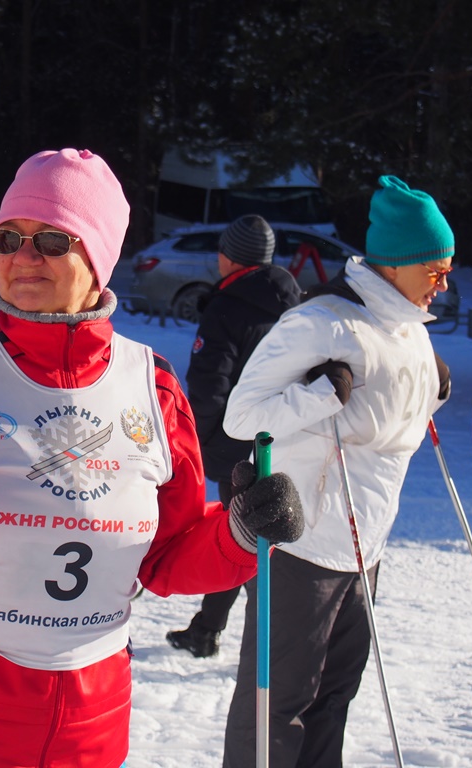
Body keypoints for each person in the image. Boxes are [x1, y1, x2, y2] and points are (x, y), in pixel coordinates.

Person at [0, 148, 304, 768]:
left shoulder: (151, 387)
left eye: (51, 239)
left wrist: (240, 532)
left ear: (97, 260)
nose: (23, 256)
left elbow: (166, 555)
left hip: (87, 731)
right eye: (7, 237)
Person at [221, 174, 454, 767]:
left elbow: (389, 426)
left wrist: (434, 391)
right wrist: (320, 394)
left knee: (334, 700)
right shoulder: (321, 322)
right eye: (436, 270)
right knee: (275, 707)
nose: (444, 283)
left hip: (364, 549)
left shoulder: (410, 335)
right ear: (399, 263)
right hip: (300, 547)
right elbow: (241, 417)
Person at [166, 214, 302, 658]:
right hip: (285, 436)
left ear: (229, 258)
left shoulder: (227, 306)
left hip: (234, 440)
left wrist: (202, 442)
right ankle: (206, 629)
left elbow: (209, 383)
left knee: (243, 540)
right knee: (253, 534)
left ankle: (250, 642)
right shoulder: (294, 304)